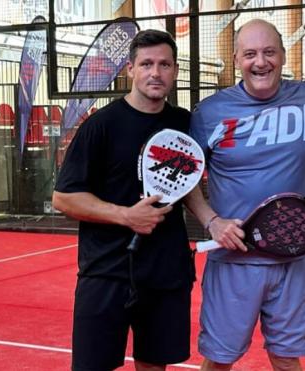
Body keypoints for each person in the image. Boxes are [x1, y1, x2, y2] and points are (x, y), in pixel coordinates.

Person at [52, 30, 195, 371]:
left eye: (164, 64)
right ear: (130, 69)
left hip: (165, 271)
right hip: (106, 272)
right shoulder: (100, 126)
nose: (155, 73)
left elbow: (188, 185)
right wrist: (126, 216)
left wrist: (215, 220)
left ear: (175, 70)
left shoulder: (183, 123)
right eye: (146, 64)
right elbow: (63, 198)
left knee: (154, 365)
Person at [186, 19, 305, 371]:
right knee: (218, 360)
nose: (260, 62)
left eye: (269, 52)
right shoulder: (209, 112)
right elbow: (186, 179)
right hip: (233, 260)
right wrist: (212, 222)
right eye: (250, 54)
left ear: (282, 55)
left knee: (287, 357)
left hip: (292, 258)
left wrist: (291, 202)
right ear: (236, 60)